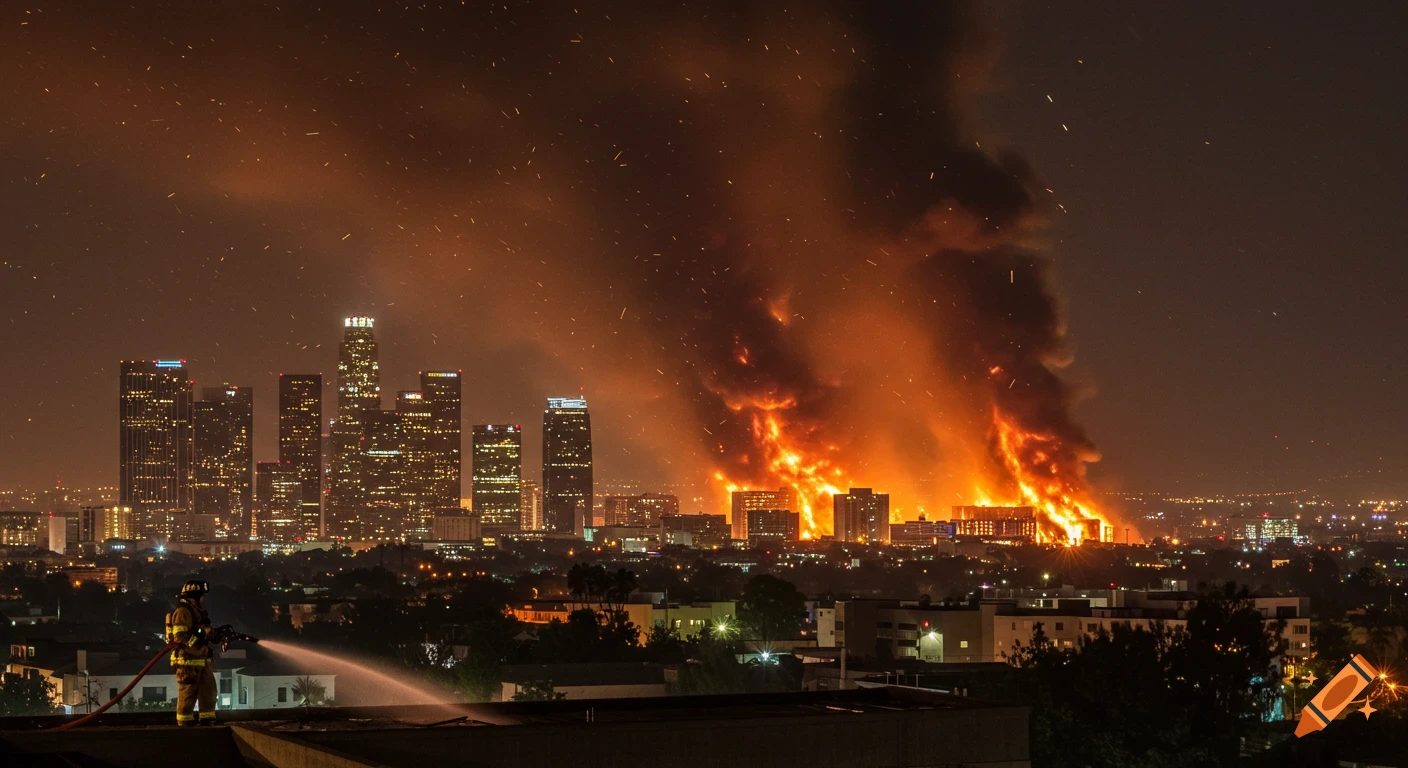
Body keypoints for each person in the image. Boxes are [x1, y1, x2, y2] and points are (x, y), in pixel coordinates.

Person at [165, 580, 217, 726]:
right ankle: (185, 725)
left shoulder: (197, 613)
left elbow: (202, 630)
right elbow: (180, 637)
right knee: (188, 693)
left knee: (209, 691)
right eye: (201, 596)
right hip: (187, 662)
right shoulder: (183, 612)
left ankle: (207, 719)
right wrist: (199, 640)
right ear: (193, 597)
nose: (203, 600)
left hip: (201, 659)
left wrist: (213, 634)